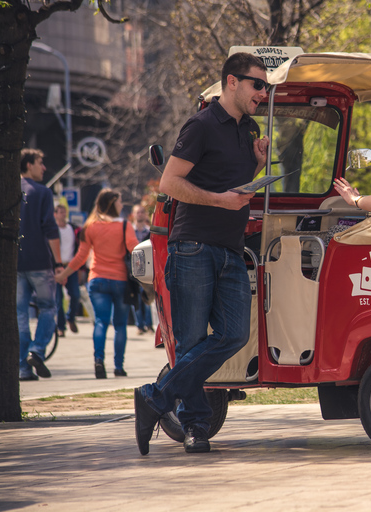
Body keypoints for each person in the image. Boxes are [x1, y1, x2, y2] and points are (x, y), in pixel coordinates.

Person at [133, 52, 270, 455]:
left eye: (265, 86)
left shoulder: (251, 130)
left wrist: (258, 168)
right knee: (191, 340)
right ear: (232, 82)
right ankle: (195, 428)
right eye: (256, 84)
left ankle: (156, 397)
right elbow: (171, 181)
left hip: (230, 247)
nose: (262, 92)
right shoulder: (202, 124)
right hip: (192, 246)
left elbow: (236, 188)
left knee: (233, 334)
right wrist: (218, 201)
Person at [55, 189, 139, 379]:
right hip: (120, 281)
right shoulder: (125, 226)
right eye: (119, 202)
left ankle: (98, 361)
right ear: (111, 203)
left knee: (100, 322)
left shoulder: (90, 227)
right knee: (120, 325)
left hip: (98, 280)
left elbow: (80, 258)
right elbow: (135, 250)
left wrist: (63, 275)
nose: (121, 205)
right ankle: (118, 367)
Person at [17, 148, 62, 381]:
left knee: (20, 314)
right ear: (28, 165)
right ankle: (37, 350)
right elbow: (50, 228)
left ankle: (23, 368)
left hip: (13, 265)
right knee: (48, 307)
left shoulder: (8, 190)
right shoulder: (42, 192)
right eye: (39, 163)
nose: (43, 167)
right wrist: (59, 262)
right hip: (40, 263)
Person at [54, 203, 80, 338]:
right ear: (55, 214)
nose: (63, 214)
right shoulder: (52, 230)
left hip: (71, 267)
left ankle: (71, 317)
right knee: (58, 299)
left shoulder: (73, 229)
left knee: (75, 295)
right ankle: (61, 327)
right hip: (56, 267)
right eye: (60, 212)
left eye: (65, 212)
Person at [131, 204, 153, 335]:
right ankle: (139, 325)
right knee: (136, 300)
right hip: (133, 270)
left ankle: (149, 325)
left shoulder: (149, 231)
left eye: (142, 212)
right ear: (133, 215)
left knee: (148, 298)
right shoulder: (129, 231)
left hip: (147, 269)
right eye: (137, 212)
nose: (140, 214)